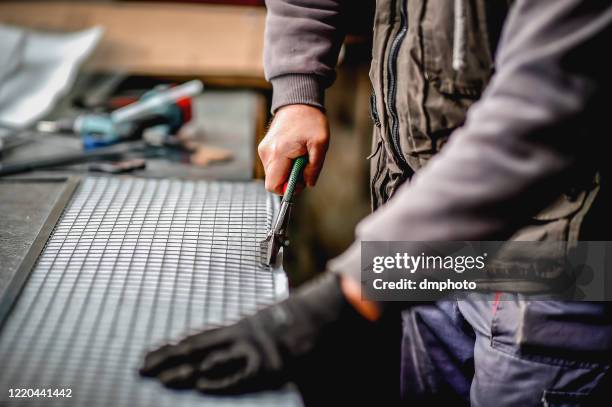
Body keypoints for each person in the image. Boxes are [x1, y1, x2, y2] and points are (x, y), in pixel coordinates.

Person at [140, 0, 612, 404]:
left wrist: (347, 293)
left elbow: (548, 105)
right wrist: (296, 89)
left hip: (558, 259)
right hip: (423, 232)